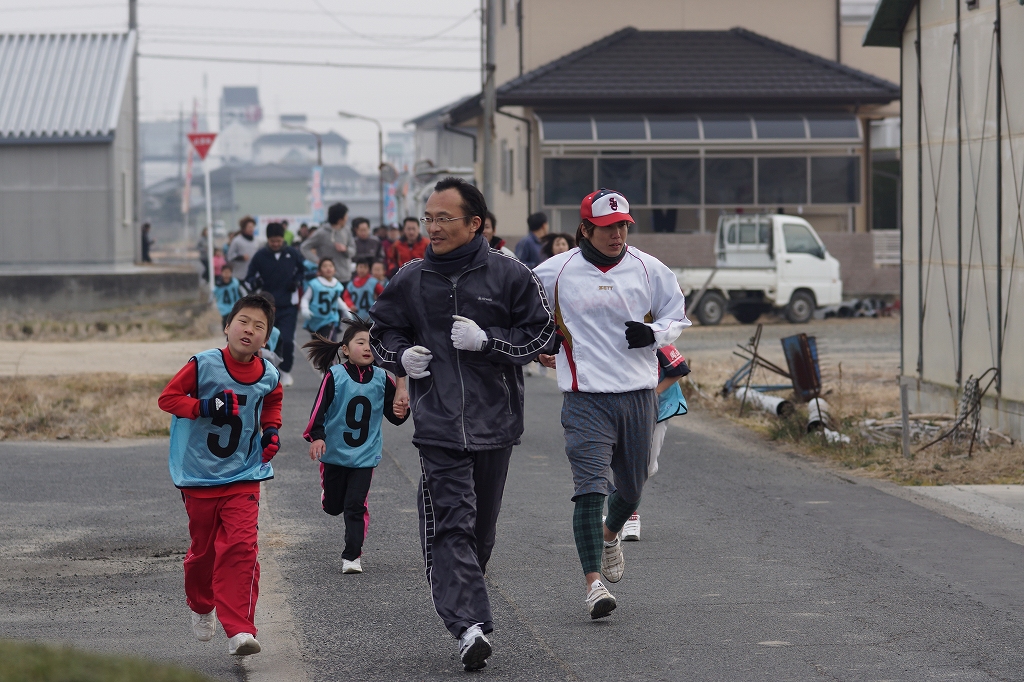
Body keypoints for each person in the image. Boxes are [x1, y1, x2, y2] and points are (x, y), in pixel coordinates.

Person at [369, 177, 554, 672]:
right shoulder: (410, 278)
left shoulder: (511, 274)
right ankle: (469, 627)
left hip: (496, 423)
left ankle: (465, 600)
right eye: (429, 218)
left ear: (475, 223)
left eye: (444, 218)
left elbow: (542, 335)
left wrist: (489, 341)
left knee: (480, 533)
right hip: (438, 424)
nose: (433, 227)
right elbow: (381, 332)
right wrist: (401, 357)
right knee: (451, 524)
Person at [534, 188, 689, 620]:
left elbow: (677, 314)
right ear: (586, 229)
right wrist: (540, 345)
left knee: (633, 487)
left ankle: (609, 534)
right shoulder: (554, 271)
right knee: (590, 488)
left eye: (622, 225)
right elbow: (525, 313)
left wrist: (654, 333)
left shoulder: (649, 268)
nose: (616, 234)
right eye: (606, 227)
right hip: (584, 397)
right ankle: (593, 586)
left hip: (638, 395)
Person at [157, 294, 282, 657]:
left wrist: (271, 431)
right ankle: (201, 604)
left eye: (259, 326)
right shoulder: (203, 365)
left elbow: (272, 404)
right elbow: (168, 398)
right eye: (243, 321)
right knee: (204, 552)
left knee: (242, 547)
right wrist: (203, 406)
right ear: (227, 326)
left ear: (266, 338)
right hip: (199, 475)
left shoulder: (269, 375)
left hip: (244, 473)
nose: (249, 330)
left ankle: (240, 629)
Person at [302, 318, 410, 574]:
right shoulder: (335, 375)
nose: (367, 348)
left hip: (365, 456)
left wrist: (402, 410)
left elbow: (395, 416)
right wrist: (317, 436)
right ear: (345, 349)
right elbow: (319, 408)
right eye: (360, 342)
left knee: (355, 505)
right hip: (334, 454)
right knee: (333, 507)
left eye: (372, 344)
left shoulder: (382, 378)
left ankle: (352, 556)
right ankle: (328, 497)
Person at [620, 344, 689, 542]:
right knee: (621, 460)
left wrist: (654, 393)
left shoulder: (655, 337)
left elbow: (679, 369)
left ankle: (625, 501)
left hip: (658, 407)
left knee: (646, 466)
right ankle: (629, 515)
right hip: (621, 407)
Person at [246, 223, 304, 388]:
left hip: (288, 305)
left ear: (283, 239)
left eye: (278, 241)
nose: (276, 244)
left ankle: (285, 371)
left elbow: (302, 271)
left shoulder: (292, 253)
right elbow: (249, 277)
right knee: (265, 340)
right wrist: (256, 282)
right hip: (266, 306)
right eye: (273, 241)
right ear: (268, 239)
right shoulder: (260, 256)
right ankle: (265, 371)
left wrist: (297, 282)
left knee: (287, 340)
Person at [301, 203, 355, 287]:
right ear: (340, 219)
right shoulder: (321, 233)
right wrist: (318, 261)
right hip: (327, 278)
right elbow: (304, 247)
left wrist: (345, 249)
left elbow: (353, 250)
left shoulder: (347, 230)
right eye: (346, 216)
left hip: (345, 276)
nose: (347, 218)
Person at [300, 258, 348, 341]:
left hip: (330, 319)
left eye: (330, 266)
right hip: (315, 319)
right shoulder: (314, 284)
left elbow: (336, 299)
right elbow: (305, 298)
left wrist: (346, 309)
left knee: (327, 343)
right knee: (318, 345)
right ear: (319, 271)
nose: (328, 268)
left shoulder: (337, 284)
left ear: (335, 270)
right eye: (325, 266)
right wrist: (305, 309)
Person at [213, 263, 246, 329]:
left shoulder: (235, 282)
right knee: (226, 323)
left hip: (235, 306)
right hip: (224, 307)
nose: (226, 274)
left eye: (228, 272)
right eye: (225, 272)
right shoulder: (218, 285)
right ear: (222, 273)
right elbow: (214, 295)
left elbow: (242, 292)